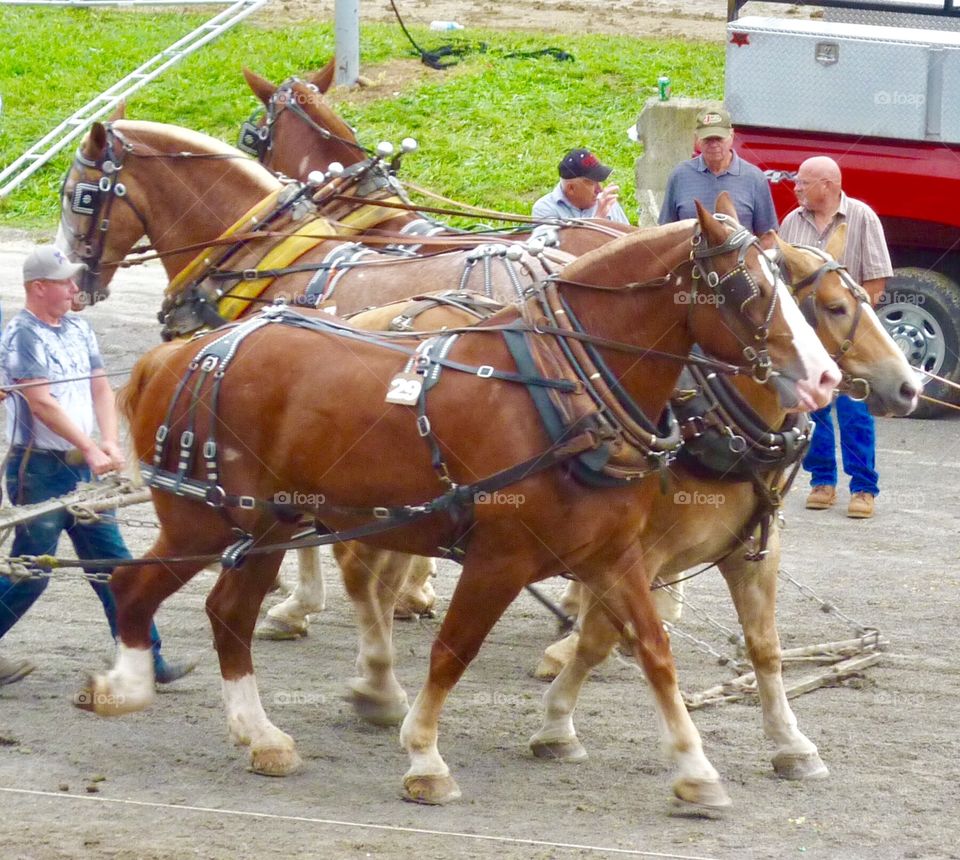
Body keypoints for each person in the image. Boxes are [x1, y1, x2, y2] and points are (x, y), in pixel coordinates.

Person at [0, 245, 197, 685]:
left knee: (115, 569)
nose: (75, 287)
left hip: (80, 468)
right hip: (39, 469)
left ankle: (145, 658)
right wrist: (91, 449)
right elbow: (41, 402)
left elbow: (100, 389)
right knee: (31, 572)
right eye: (65, 281)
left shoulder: (78, 329)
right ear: (39, 288)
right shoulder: (22, 335)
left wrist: (109, 441)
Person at [778, 156, 893, 519]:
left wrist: (842, 316)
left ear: (827, 185)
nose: (795, 188)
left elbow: (875, 282)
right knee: (815, 410)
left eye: (803, 182)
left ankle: (863, 488)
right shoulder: (790, 223)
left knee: (855, 410)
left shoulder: (862, 217)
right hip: (809, 338)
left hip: (850, 335)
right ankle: (822, 482)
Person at [659, 107, 778, 247]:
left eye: (719, 138)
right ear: (697, 139)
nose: (714, 144)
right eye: (708, 139)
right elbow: (665, 232)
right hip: (690, 264)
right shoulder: (679, 175)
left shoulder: (754, 178)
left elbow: (768, 236)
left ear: (732, 137)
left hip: (738, 265)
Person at [532, 147, 630, 224]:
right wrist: (598, 221)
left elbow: (628, 241)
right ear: (571, 188)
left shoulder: (607, 204)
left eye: (600, 181)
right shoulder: (545, 209)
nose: (599, 190)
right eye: (592, 183)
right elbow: (561, 248)